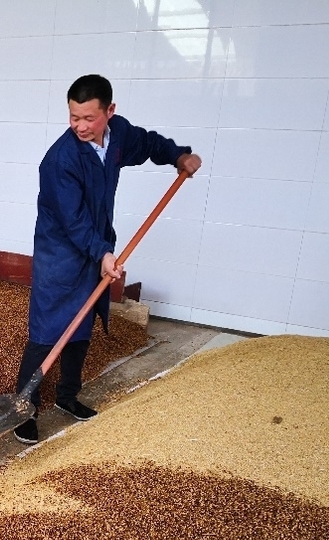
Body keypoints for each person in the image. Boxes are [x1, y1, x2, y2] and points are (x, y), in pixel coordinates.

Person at [13, 74, 201, 445]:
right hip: (61, 251)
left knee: (82, 325)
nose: (81, 126)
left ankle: (67, 396)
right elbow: (73, 219)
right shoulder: (60, 161)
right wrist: (103, 253)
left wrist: (178, 155)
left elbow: (147, 143)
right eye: (73, 118)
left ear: (109, 112)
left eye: (89, 118)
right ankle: (24, 409)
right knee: (47, 329)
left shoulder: (118, 136)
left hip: (97, 245)